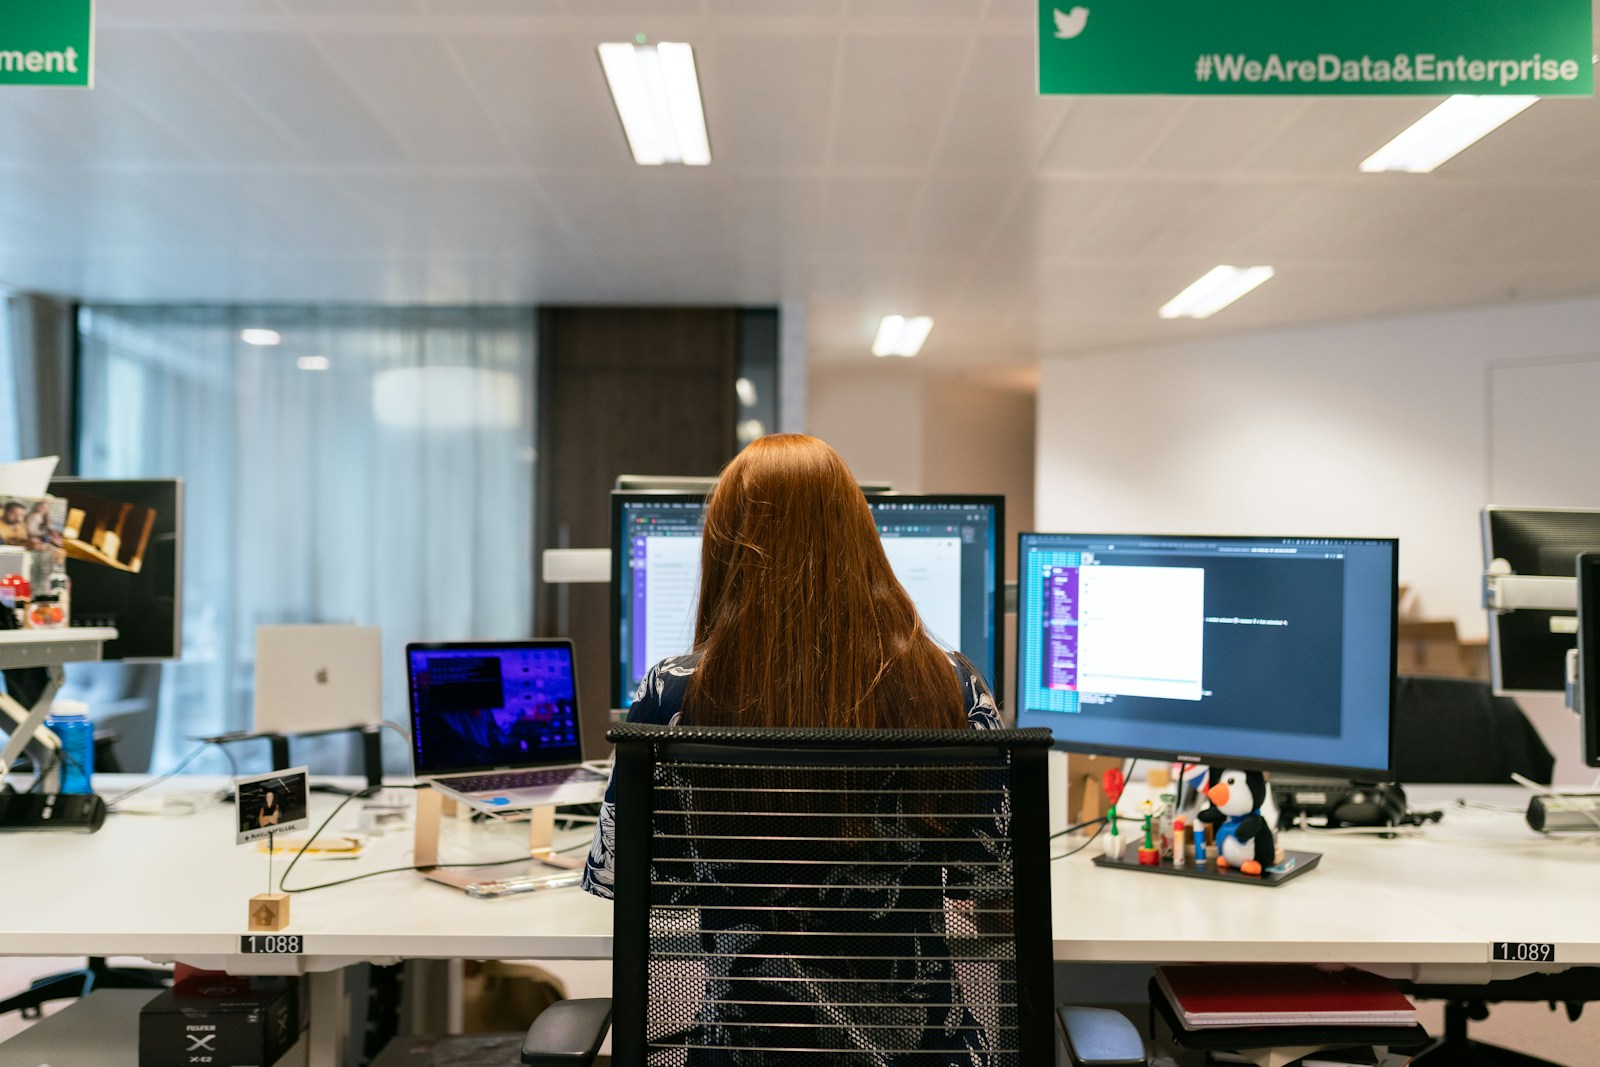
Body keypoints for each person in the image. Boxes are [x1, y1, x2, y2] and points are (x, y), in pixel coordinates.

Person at [583, 433, 1000, 894]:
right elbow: (996, 883)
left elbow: (617, 879)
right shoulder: (953, 683)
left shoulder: (670, 690)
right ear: (862, 539)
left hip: (739, 968)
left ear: (725, 552)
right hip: (902, 964)